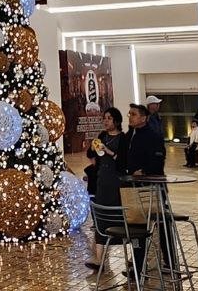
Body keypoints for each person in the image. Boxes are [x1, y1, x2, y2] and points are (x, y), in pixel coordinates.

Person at [123, 103, 167, 277]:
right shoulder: (130, 136)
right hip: (134, 189)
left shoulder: (153, 136)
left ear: (143, 118)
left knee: (162, 226)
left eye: (133, 114)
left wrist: (143, 171)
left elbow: (158, 158)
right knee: (136, 229)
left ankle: (169, 260)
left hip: (151, 188)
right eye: (129, 114)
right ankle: (137, 265)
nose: (130, 117)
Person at [84, 108, 126, 275]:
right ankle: (99, 259)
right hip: (102, 182)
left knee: (118, 217)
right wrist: (94, 150)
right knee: (100, 218)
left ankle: (127, 256)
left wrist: (108, 151)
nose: (106, 121)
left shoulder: (123, 138)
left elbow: (122, 161)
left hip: (116, 184)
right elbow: (91, 154)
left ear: (116, 121)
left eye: (109, 118)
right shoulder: (102, 136)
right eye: (104, 118)